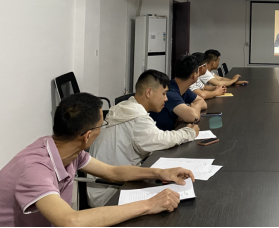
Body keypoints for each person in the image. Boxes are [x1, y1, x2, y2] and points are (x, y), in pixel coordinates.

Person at [0, 93, 195, 227]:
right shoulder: (35, 169)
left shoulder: (68, 150)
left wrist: (160, 172)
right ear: (87, 136)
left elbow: (112, 172)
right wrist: (149, 205)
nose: (103, 129)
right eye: (102, 125)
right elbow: (70, 221)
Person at [88, 70, 200, 207]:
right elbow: (162, 139)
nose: (166, 99)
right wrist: (190, 132)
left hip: (109, 183)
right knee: (171, 200)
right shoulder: (137, 119)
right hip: (109, 192)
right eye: (164, 94)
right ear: (149, 92)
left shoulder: (127, 106)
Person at [150, 55, 207, 131]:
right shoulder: (170, 93)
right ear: (194, 75)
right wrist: (194, 109)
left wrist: (193, 108)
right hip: (161, 135)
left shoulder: (181, 88)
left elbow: (202, 102)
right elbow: (194, 117)